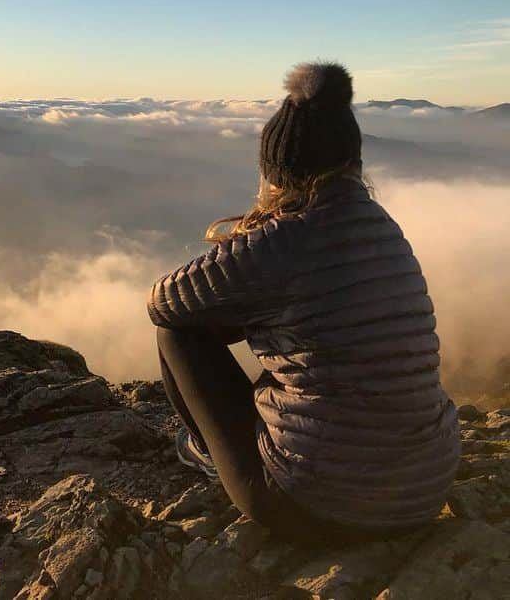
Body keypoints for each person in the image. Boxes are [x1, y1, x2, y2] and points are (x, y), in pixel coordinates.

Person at [147, 61, 460, 545]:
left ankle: (212, 451)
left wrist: (240, 294)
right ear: (353, 161)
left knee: (178, 330)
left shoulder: (283, 239)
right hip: (424, 489)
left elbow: (165, 302)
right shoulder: (382, 227)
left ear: (277, 172)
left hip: (318, 504)